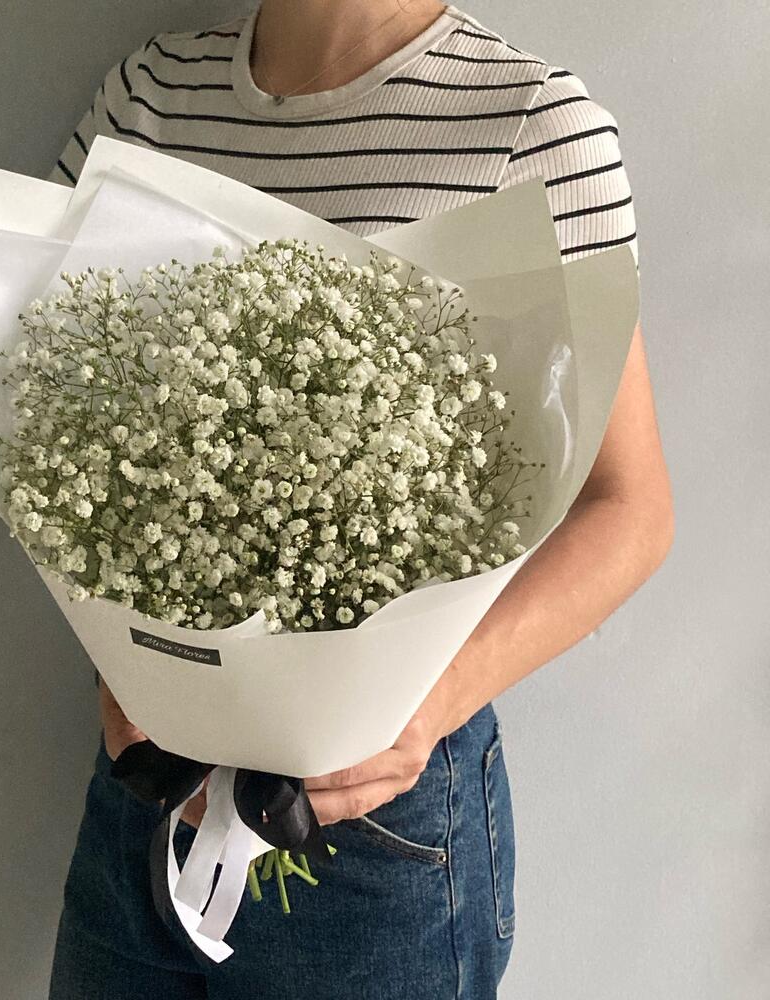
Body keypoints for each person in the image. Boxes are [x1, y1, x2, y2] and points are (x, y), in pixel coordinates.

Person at [44, 2, 674, 997]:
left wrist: (418, 707)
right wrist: (129, 670)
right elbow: (62, 433)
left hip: (377, 816)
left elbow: (630, 510)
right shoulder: (151, 98)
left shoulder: (529, 124)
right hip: (150, 787)